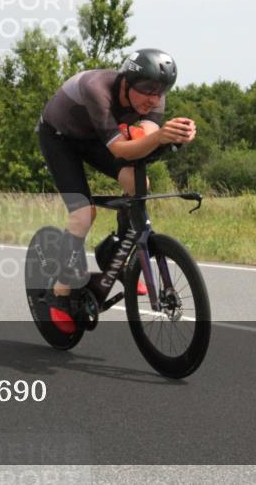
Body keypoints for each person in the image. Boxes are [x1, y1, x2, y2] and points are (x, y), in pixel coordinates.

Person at [37, 49, 196, 334]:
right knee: (83, 214)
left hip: (95, 138)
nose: (153, 98)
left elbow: (144, 144)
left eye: (160, 91)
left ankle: (115, 253)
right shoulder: (97, 89)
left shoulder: (153, 101)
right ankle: (58, 294)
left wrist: (174, 139)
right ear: (126, 82)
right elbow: (121, 149)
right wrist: (160, 137)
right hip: (59, 137)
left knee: (138, 184)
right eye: (147, 89)